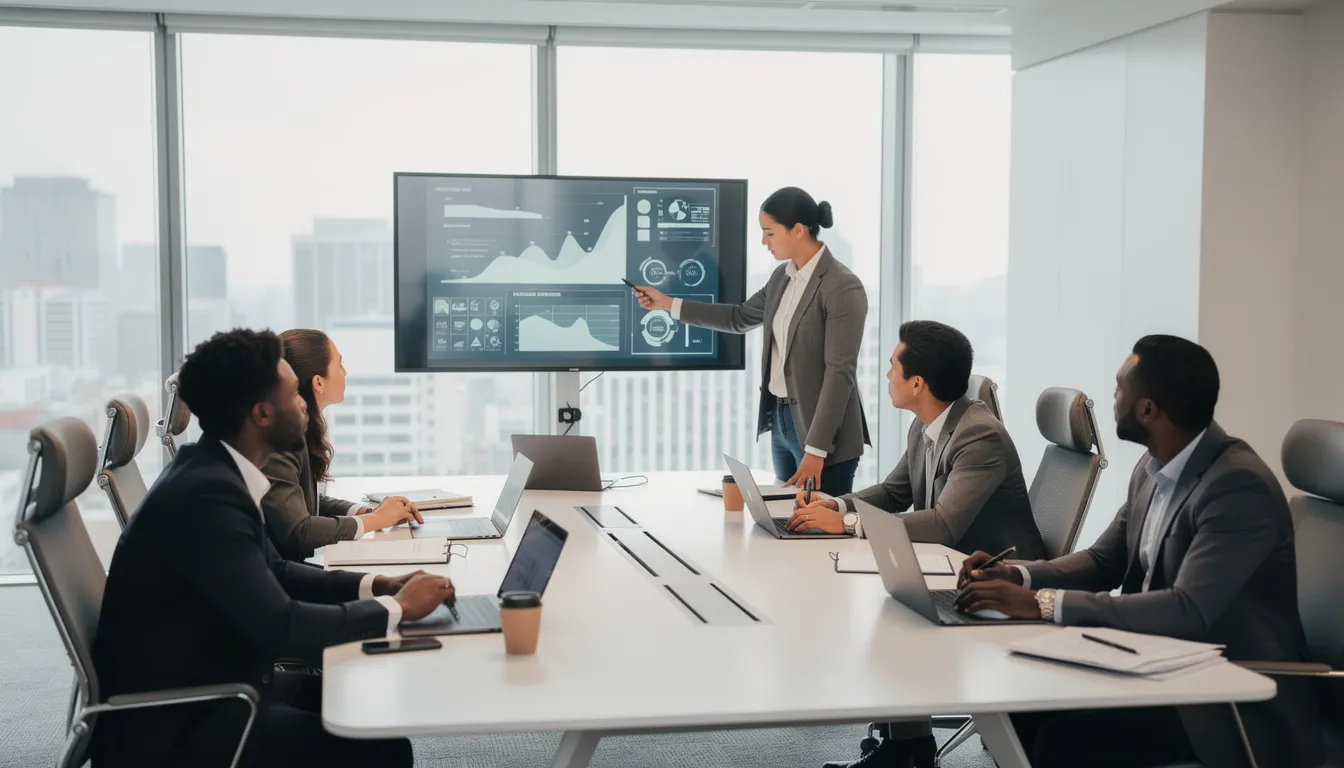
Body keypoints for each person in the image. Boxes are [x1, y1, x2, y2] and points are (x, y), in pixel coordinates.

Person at [92, 329, 457, 768]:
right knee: (383, 749)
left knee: (365, 697)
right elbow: (281, 625)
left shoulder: (217, 472)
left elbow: (278, 571)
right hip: (185, 723)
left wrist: (376, 584)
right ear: (263, 414)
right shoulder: (207, 499)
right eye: (292, 394)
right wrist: (395, 610)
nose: (304, 403)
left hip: (220, 682)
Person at [956, 335, 1323, 768]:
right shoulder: (1152, 467)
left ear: (1148, 410)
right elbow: (1103, 561)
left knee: (1063, 740)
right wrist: (1019, 576)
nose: (1112, 398)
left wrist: (1042, 604)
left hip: (1229, 694)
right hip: (1157, 664)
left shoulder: (1236, 487)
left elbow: (1188, 610)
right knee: (1022, 704)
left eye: (1118, 389)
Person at [797, 320, 1044, 768]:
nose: (887, 374)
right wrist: (835, 505)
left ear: (917, 382)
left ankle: (908, 750)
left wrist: (849, 525)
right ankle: (905, 747)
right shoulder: (927, 424)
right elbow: (894, 492)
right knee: (890, 599)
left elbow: (946, 523)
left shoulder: (978, 434)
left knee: (891, 611)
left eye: (893, 366)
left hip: (994, 580)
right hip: (947, 565)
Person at [634, 187, 870, 496]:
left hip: (822, 435)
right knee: (783, 526)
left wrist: (816, 449)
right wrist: (668, 304)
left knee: (816, 533)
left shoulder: (842, 286)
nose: (764, 242)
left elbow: (840, 373)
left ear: (798, 230)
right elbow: (739, 317)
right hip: (784, 424)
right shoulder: (781, 278)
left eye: (769, 233)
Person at [262, 328, 420, 561]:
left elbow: (305, 502)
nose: (345, 372)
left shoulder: (298, 431)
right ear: (318, 382)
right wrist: (375, 521)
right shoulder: (280, 441)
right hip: (280, 577)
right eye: (339, 365)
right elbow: (300, 530)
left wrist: (368, 512)